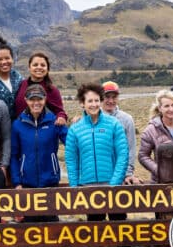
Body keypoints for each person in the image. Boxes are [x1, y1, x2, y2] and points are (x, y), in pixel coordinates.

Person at [65, 83, 129, 221]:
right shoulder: (75, 130)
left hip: (112, 185)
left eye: (96, 100)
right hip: (88, 187)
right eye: (90, 101)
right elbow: (71, 160)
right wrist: (75, 187)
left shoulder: (114, 124)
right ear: (82, 103)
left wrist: (115, 183)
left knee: (119, 228)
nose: (94, 104)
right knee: (96, 231)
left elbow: (123, 155)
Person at [10, 84, 67, 221]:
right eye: (32, 99)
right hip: (27, 184)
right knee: (30, 227)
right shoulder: (18, 125)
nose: (36, 103)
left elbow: (71, 143)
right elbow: (14, 156)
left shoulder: (54, 121)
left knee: (51, 225)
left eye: (39, 99)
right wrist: (17, 182)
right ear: (26, 100)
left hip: (50, 182)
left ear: (45, 99)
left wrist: (75, 125)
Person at [101, 81, 142, 185]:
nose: (111, 100)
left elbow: (131, 147)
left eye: (114, 97)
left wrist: (128, 173)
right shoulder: (93, 118)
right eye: (107, 97)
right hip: (100, 174)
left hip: (121, 175)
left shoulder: (127, 119)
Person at [12, 52, 68, 124]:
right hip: (21, 129)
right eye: (35, 65)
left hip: (43, 131)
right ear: (29, 67)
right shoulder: (22, 84)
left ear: (47, 69)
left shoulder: (52, 90)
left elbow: (60, 111)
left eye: (43, 65)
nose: (39, 67)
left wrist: (61, 117)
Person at [0, 34, 24, 117]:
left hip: (17, 125)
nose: (4, 62)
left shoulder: (18, 77)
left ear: (12, 58)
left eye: (7, 58)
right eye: (0, 59)